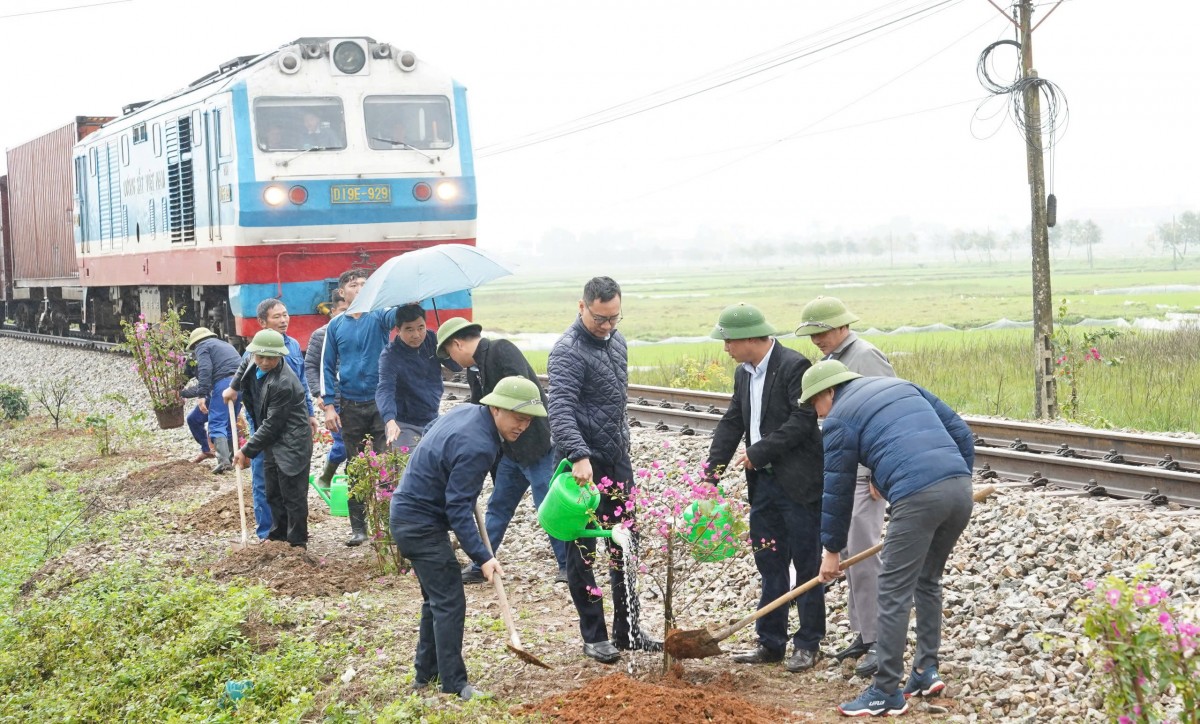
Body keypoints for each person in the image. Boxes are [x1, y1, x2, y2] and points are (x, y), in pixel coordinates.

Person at [803, 360, 975, 717]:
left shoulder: (838, 418)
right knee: (927, 581)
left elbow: (836, 491)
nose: (817, 415)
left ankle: (885, 691)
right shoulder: (901, 386)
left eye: (814, 405)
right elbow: (961, 434)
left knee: (893, 591)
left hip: (917, 497)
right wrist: (957, 481)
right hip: (960, 490)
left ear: (828, 392)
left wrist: (831, 550)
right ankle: (926, 671)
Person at [390, 376, 547, 701]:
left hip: (410, 514)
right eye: (519, 417)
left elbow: (438, 440)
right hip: (419, 524)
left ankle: (425, 675)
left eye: (529, 420)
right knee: (449, 601)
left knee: (436, 600)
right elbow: (459, 508)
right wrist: (483, 556)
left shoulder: (469, 415)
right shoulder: (479, 444)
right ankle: (454, 684)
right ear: (498, 408)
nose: (523, 426)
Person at [703, 303, 825, 672]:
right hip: (764, 485)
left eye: (728, 341)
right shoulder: (744, 374)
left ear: (750, 338)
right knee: (769, 563)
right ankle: (770, 643)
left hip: (799, 484)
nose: (725, 348)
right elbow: (733, 420)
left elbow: (803, 419)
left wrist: (759, 451)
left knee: (807, 564)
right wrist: (712, 473)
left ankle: (808, 643)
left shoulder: (794, 366)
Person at [547, 276, 658, 665]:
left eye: (614, 318)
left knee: (624, 543)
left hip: (616, 461)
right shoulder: (567, 352)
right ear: (582, 307)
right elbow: (559, 408)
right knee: (582, 550)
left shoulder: (618, 343)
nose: (608, 326)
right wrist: (579, 454)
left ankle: (628, 630)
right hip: (582, 469)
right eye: (600, 318)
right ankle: (594, 635)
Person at [794, 295, 896, 677]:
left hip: (864, 473)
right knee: (850, 556)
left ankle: (880, 640)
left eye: (821, 331)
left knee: (865, 556)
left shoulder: (865, 357)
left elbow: (889, 412)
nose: (817, 339)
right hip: (845, 470)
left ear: (841, 326)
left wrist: (876, 474)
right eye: (812, 333)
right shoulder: (830, 361)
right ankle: (864, 633)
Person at [436, 316, 569, 585]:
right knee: (498, 507)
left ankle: (567, 566)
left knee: (547, 506)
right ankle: (480, 563)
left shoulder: (501, 350)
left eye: (449, 352)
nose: (451, 359)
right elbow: (479, 411)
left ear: (458, 344)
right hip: (509, 452)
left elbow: (526, 397)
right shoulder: (476, 370)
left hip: (536, 447)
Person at [320, 269, 394, 546]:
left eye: (365, 284)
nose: (361, 288)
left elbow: (399, 317)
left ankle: (389, 526)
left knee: (386, 463)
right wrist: (329, 406)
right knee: (356, 466)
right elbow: (326, 366)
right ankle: (359, 528)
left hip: (382, 403)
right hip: (350, 405)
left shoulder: (380, 316)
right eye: (354, 285)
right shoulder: (336, 326)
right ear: (342, 292)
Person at [239, 299, 318, 541]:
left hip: (291, 442)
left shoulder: (284, 383)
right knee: (272, 491)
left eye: (270, 358)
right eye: (260, 357)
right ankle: (276, 539)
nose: (264, 362)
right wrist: (232, 389)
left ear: (279, 356)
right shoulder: (256, 367)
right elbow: (241, 378)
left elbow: (273, 424)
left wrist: (246, 450)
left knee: (292, 496)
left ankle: (296, 545)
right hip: (273, 438)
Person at [376, 304, 456, 451]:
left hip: (432, 417)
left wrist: (448, 347)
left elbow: (456, 366)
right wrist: (390, 420)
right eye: (409, 329)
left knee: (435, 467)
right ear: (398, 330)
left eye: (421, 327)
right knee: (407, 469)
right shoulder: (390, 355)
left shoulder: (432, 339)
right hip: (404, 423)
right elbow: (385, 389)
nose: (416, 335)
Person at [181, 327, 242, 474]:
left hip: (223, 385)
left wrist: (201, 396)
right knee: (227, 422)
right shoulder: (224, 345)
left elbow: (205, 371)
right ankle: (232, 457)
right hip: (240, 384)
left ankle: (224, 463)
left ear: (195, 344)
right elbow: (206, 382)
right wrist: (182, 392)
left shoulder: (203, 347)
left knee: (217, 424)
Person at [305, 290, 349, 487]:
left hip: (359, 399)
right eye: (342, 310)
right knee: (342, 445)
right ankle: (326, 477)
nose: (346, 315)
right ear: (332, 311)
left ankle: (353, 482)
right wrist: (318, 393)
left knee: (361, 445)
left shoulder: (362, 332)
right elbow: (311, 366)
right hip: (335, 400)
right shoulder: (321, 335)